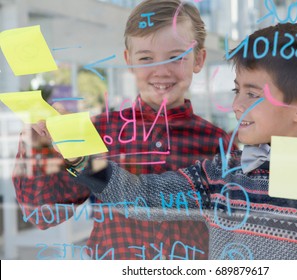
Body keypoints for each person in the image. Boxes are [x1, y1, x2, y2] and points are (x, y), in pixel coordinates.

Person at [69, 22, 297, 260]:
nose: (236, 106)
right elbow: (143, 198)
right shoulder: (218, 174)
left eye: (253, 94)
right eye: (237, 91)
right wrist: (80, 157)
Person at [12, 0, 233, 260]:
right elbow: (44, 214)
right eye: (146, 58)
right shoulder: (97, 131)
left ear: (199, 59)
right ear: (129, 61)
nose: (161, 70)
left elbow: (232, 227)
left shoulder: (219, 143)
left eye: (176, 57)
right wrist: (37, 149)